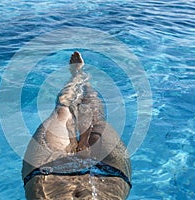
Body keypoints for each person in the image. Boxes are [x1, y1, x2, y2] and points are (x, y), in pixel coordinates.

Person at [22, 51, 132, 199]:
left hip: (47, 174)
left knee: (62, 111)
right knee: (95, 120)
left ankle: (77, 77)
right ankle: (82, 79)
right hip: (109, 176)